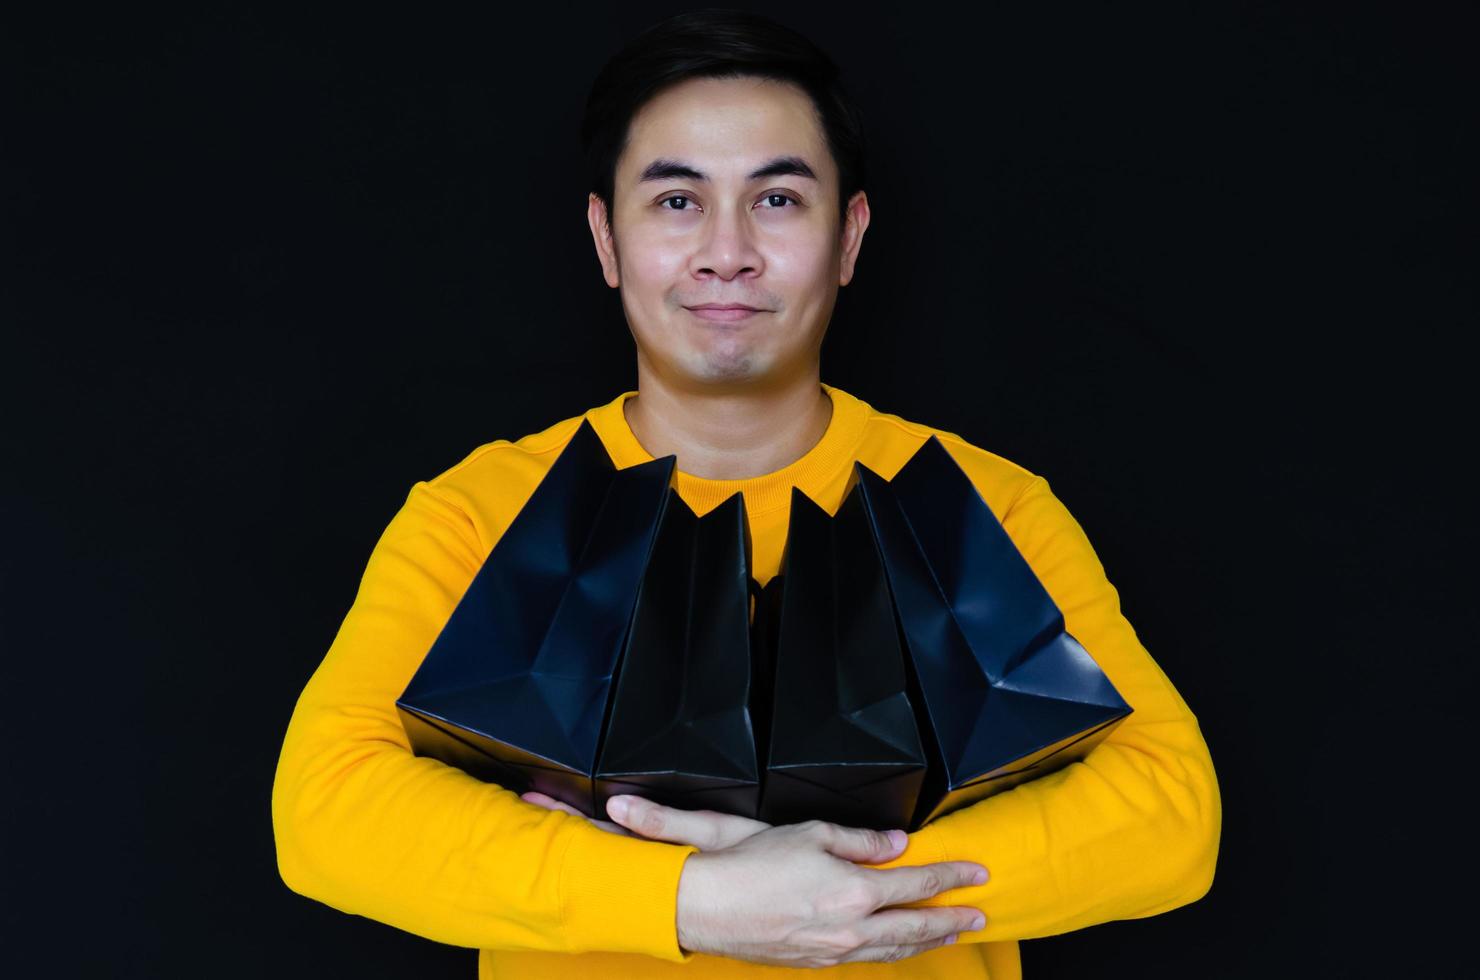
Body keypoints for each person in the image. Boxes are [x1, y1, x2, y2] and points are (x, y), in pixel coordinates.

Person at [270, 10, 1221, 978]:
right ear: (606, 237)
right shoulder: (480, 510)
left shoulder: (982, 502)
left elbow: (1169, 812)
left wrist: (833, 896)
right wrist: (699, 897)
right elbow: (327, 810)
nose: (727, 251)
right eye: (676, 202)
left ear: (848, 236)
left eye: (776, 199)